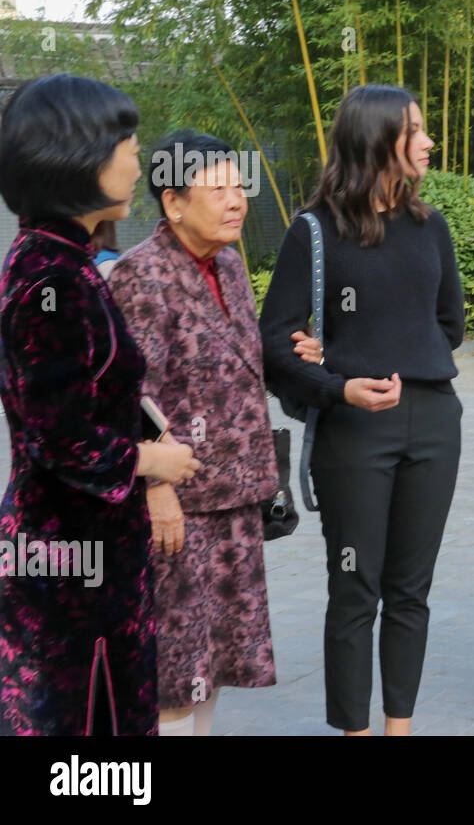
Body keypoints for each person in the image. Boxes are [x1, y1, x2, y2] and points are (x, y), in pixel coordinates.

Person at [259, 84, 464, 735]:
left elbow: (449, 326)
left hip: (434, 420)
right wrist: (339, 379)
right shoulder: (314, 231)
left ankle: (399, 730)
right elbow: (276, 346)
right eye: (415, 130)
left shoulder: (432, 226)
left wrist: (389, 351)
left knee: (411, 592)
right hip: (353, 430)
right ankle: (355, 731)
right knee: (355, 591)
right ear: (376, 139)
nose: (428, 141)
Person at [0, 73, 201, 735]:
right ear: (77, 155)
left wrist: (143, 420)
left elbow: (92, 380)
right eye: (125, 142)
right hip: (64, 562)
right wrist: (152, 463)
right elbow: (54, 436)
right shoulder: (49, 275)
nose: (138, 157)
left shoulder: (69, 260)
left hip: (96, 556)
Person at [107, 130, 321, 736]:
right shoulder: (139, 276)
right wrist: (155, 491)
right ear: (174, 202)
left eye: (239, 186)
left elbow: (242, 358)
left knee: (216, 663)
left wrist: (309, 354)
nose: (236, 200)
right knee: (174, 669)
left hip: (235, 501)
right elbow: (129, 396)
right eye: (218, 188)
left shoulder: (227, 263)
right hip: (180, 509)